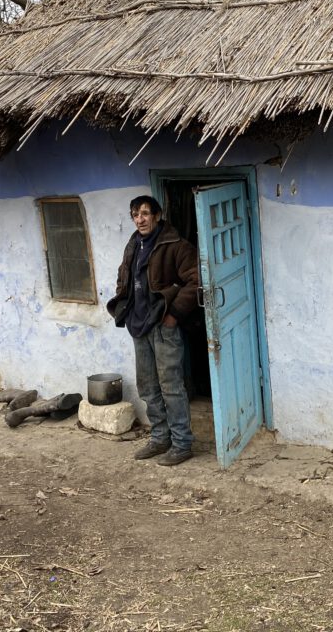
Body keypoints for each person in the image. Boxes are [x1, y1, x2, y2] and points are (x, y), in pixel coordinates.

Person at [107, 195, 199, 465]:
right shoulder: (134, 243)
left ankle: (182, 443)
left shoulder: (176, 245)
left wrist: (173, 314)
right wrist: (123, 303)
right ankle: (160, 438)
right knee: (148, 386)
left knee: (171, 385)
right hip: (139, 325)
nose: (140, 219)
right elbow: (124, 275)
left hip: (163, 325)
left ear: (157, 216)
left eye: (145, 214)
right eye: (135, 214)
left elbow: (195, 281)